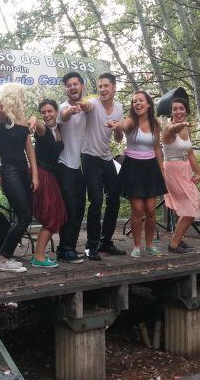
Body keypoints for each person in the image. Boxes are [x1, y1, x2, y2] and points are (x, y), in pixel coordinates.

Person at [109, 91, 167, 258]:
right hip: (133, 167)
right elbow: (122, 130)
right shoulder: (130, 122)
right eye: (135, 101)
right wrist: (117, 127)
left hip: (150, 168)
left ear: (148, 104)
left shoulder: (155, 124)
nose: (138, 103)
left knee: (151, 210)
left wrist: (162, 170)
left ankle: (149, 245)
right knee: (138, 209)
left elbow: (157, 148)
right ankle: (136, 246)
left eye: (141, 100)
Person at [0, 82, 38, 273]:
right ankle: (4, 257)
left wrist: (34, 174)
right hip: (9, 172)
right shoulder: (2, 118)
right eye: (21, 94)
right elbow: (1, 117)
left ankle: (4, 255)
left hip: (23, 172)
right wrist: (1, 111)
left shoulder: (22, 120)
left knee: (25, 216)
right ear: (12, 96)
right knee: (24, 216)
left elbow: (30, 149)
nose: (24, 98)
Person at [80, 72, 125, 259]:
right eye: (100, 86)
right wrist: (80, 105)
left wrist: (117, 129)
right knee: (97, 200)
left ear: (114, 87)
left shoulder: (119, 108)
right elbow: (86, 106)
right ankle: (91, 247)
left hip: (106, 157)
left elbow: (118, 137)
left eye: (106, 86)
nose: (103, 89)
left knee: (114, 198)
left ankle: (105, 243)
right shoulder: (93, 103)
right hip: (89, 156)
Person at [27, 99, 67, 268]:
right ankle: (39, 257)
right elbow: (37, 124)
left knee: (55, 216)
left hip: (51, 175)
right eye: (43, 112)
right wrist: (34, 119)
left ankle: (40, 255)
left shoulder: (58, 128)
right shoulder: (43, 130)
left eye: (50, 111)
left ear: (56, 112)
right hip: (42, 175)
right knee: (52, 217)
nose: (47, 115)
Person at [162, 98, 200, 252]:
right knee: (189, 209)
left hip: (185, 168)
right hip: (172, 170)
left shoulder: (187, 129)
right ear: (171, 112)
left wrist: (199, 172)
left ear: (186, 110)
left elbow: (190, 152)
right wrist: (182, 124)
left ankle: (177, 239)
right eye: (175, 109)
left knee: (193, 205)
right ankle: (173, 245)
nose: (178, 112)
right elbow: (173, 130)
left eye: (181, 109)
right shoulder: (169, 128)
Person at [55, 72, 87, 263]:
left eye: (75, 84)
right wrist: (71, 111)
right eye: (68, 85)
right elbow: (64, 118)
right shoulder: (62, 108)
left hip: (80, 166)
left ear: (82, 86)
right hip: (65, 164)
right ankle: (65, 249)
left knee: (79, 208)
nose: (72, 87)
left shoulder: (88, 107)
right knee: (69, 208)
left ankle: (70, 247)